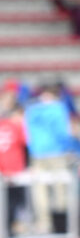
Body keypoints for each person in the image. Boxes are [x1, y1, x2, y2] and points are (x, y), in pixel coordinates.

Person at [24, 83, 75, 234]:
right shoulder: (59, 108)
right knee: (59, 189)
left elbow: (27, 133)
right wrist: (68, 148)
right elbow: (63, 132)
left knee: (39, 190)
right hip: (57, 153)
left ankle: (43, 223)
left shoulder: (32, 109)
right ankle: (60, 223)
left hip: (37, 153)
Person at [1, 81, 28, 236]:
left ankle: (11, 226)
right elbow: (25, 142)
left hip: (9, 168)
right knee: (14, 201)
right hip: (14, 168)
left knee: (11, 201)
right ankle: (10, 227)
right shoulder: (16, 125)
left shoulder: (11, 123)